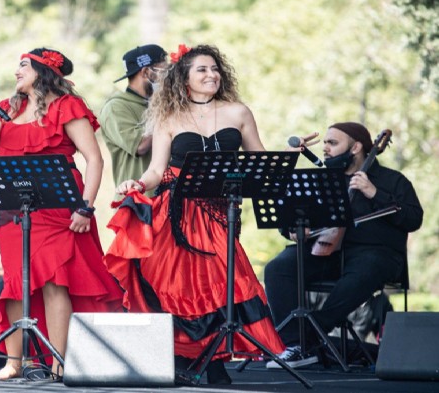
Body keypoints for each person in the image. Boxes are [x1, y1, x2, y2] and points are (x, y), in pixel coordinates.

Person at [104, 43, 285, 385]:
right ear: (184, 77)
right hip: (176, 212)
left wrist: (287, 156)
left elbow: (259, 160)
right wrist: (137, 184)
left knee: (221, 282)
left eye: (215, 69)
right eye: (202, 69)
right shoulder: (169, 117)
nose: (211, 74)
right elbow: (156, 170)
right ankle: (180, 360)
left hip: (220, 211)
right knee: (178, 284)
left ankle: (214, 360)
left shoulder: (238, 112)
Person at [0, 47, 123, 380]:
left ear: (43, 71)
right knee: (16, 281)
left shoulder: (68, 106)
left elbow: (94, 159)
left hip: (59, 208)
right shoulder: (8, 107)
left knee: (56, 281)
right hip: (15, 205)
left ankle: (59, 362)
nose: (17, 71)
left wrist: (85, 207)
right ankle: (14, 361)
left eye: (24, 65)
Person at [264, 122, 423, 368]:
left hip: (374, 255)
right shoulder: (324, 180)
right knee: (279, 267)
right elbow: (294, 216)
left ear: (356, 147)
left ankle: (310, 335)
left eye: (332, 143)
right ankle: (295, 344)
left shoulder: (393, 180)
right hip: (328, 251)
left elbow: (413, 219)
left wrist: (374, 193)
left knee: (368, 266)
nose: (325, 148)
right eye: (325, 143)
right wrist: (294, 229)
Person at [98, 44, 167, 194]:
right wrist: (165, 109)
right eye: (164, 71)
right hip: (138, 199)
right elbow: (140, 146)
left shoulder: (158, 104)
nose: (168, 78)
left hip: (167, 199)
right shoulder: (116, 107)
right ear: (146, 72)